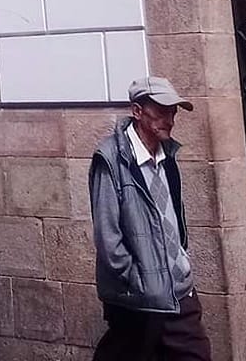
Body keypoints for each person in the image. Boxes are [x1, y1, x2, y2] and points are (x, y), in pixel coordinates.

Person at [88, 76, 212, 360]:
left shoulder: (168, 154)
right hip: (139, 298)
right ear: (137, 111)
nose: (170, 119)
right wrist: (140, 281)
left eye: (173, 111)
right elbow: (108, 238)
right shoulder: (110, 160)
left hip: (179, 292)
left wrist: (181, 261)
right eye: (161, 110)